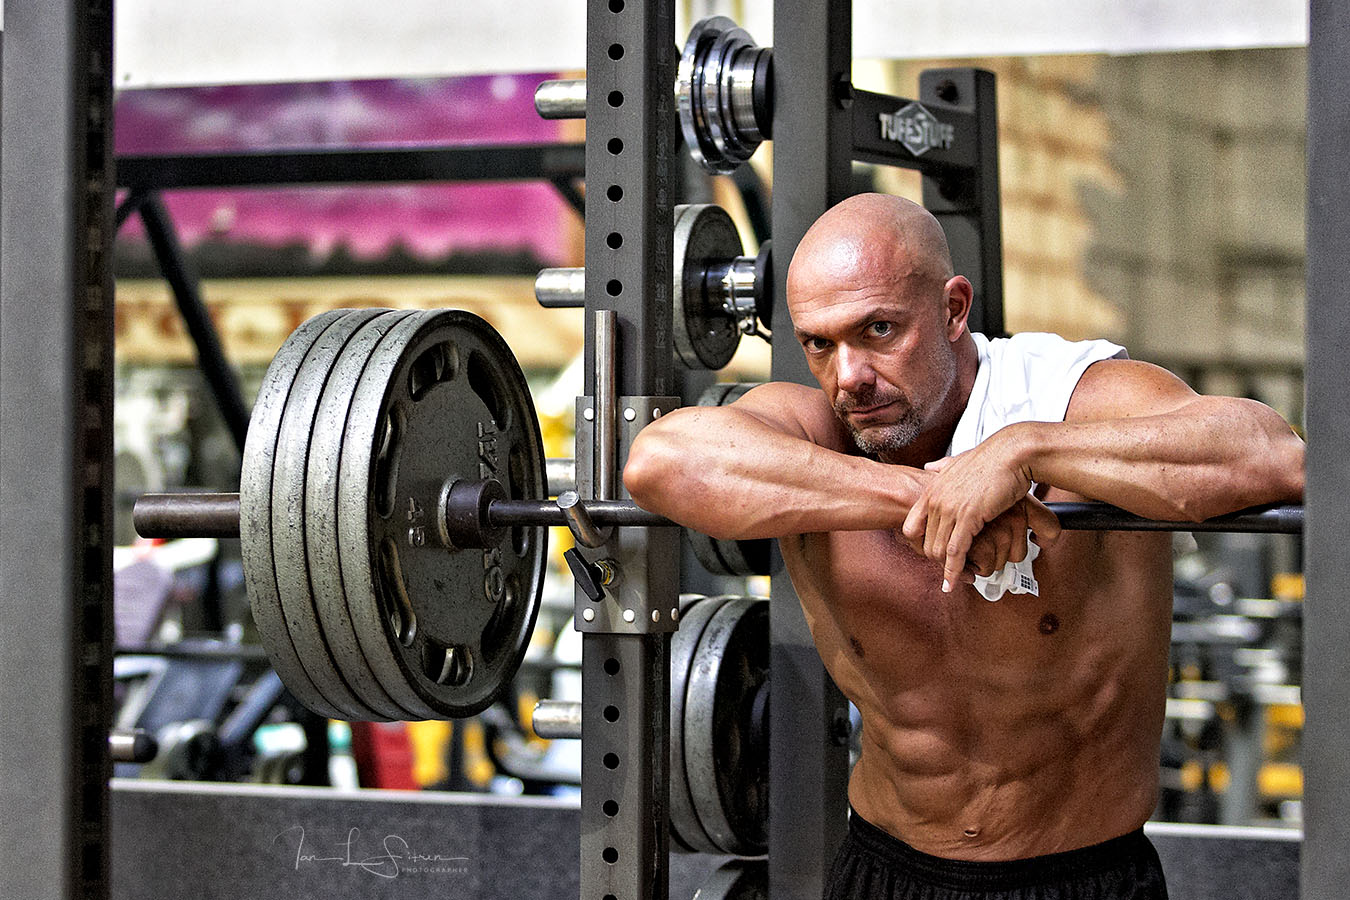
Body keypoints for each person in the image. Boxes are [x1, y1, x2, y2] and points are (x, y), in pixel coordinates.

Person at [623, 193, 1305, 900]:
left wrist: (1026, 452)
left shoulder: (1069, 398)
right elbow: (659, 464)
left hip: (1078, 880)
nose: (849, 375)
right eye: (820, 344)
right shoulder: (815, 434)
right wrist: (928, 497)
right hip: (883, 872)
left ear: (953, 309)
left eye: (880, 329)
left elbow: (1274, 457)